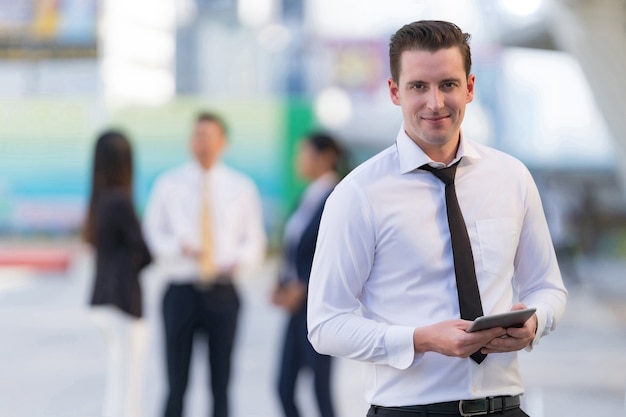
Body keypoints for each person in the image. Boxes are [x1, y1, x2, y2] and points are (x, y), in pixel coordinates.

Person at [307, 20, 567, 417]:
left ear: (470, 87)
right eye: (418, 87)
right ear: (395, 91)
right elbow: (325, 325)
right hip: (409, 409)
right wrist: (419, 339)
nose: (435, 102)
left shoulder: (512, 177)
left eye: (448, 84)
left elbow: (548, 288)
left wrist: (536, 324)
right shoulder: (357, 194)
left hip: (504, 407)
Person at [143, 111, 267, 417]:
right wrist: (180, 247)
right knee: (175, 384)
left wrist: (237, 261)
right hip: (181, 291)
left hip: (223, 293)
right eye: (197, 135)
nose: (202, 143)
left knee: (221, 384)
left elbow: (255, 242)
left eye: (208, 136)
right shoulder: (169, 184)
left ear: (223, 142)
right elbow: (152, 235)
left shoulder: (241, 187)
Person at [271, 132, 343, 417]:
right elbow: (294, 246)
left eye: (304, 153)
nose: (297, 160)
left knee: (319, 388)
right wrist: (281, 283)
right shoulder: (308, 195)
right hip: (295, 307)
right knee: (284, 387)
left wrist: (302, 286)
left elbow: (331, 252)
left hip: (317, 306)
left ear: (325, 157)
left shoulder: (338, 195)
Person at [83, 129, 153, 417]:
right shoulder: (120, 201)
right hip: (122, 303)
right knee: (127, 385)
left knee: (117, 383)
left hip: (101, 301)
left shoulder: (98, 200)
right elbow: (145, 252)